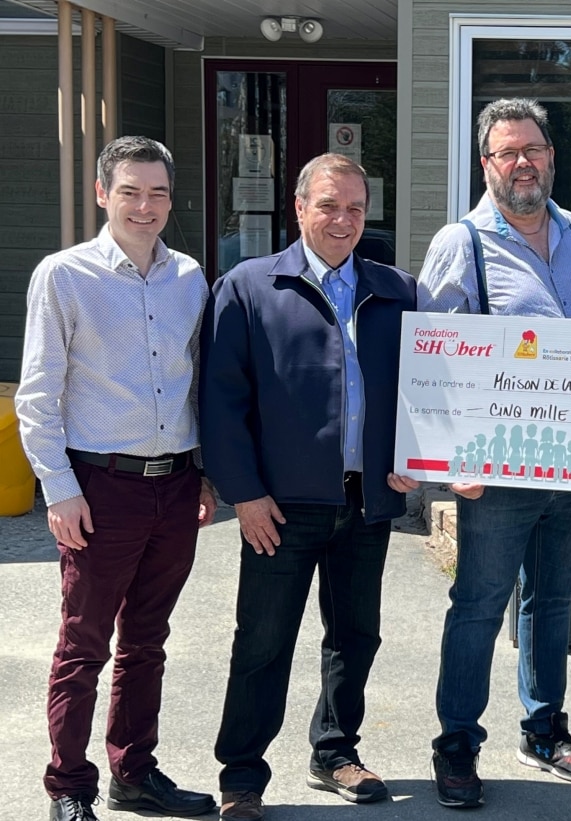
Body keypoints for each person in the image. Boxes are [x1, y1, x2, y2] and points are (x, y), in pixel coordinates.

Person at [408, 97, 571, 810]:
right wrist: (448, 462)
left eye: (533, 149)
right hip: (496, 469)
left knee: (553, 600)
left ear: (552, 157)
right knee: (478, 603)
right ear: (486, 164)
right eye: (507, 152)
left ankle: (544, 727)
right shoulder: (459, 243)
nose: (522, 162)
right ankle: (458, 742)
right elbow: (431, 363)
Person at [200, 153, 417, 821]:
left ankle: (336, 751)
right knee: (263, 640)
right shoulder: (248, 287)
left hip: (367, 500)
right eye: (328, 205)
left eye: (355, 207)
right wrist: (245, 493)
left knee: (355, 635)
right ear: (299, 208)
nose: (343, 219)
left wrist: (418, 458)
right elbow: (219, 401)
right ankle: (241, 773)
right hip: (280, 505)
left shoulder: (397, 290)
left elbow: (430, 389)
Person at [16, 136, 217, 821]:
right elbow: (38, 395)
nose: (146, 205)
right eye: (130, 190)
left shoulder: (190, 276)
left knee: (147, 641)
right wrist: (58, 489)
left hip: (176, 485)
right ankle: (69, 787)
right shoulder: (65, 275)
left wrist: (205, 473)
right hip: (100, 489)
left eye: (158, 192)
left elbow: (198, 384)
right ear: (104, 194)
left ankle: (135, 771)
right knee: (83, 644)